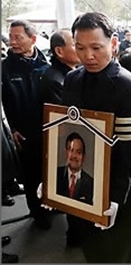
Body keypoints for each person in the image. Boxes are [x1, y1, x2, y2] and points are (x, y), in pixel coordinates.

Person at [62, 12, 131, 263]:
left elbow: (130, 150)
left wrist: (115, 198)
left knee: (119, 254)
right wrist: (55, 178)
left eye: (96, 47)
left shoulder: (130, 85)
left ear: (113, 44)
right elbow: (65, 131)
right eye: (79, 47)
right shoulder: (72, 79)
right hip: (82, 185)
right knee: (92, 251)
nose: (87, 55)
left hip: (116, 187)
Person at [2, 19, 51, 230]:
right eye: (11, 37)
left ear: (32, 38)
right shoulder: (5, 69)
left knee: (49, 171)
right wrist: (11, 130)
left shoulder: (45, 64)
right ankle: (37, 212)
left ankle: (52, 204)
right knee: (31, 175)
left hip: (48, 130)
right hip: (23, 133)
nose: (12, 42)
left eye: (18, 37)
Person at [40, 28, 81, 105]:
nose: (81, 49)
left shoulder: (81, 71)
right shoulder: (53, 80)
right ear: (59, 51)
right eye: (75, 45)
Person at [56, 132, 94, 205]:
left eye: (78, 152)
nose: (74, 155)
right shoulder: (55, 175)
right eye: (71, 150)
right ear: (66, 152)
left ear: (83, 157)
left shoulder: (91, 183)